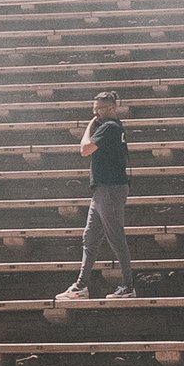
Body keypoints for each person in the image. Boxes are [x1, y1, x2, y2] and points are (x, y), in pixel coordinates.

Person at [58, 92, 136, 303]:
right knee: (90, 238)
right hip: (102, 190)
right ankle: (81, 286)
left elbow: (85, 149)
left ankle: (128, 286)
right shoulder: (111, 126)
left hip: (110, 189)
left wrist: (89, 126)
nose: (95, 113)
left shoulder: (109, 127)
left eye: (99, 109)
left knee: (116, 237)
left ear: (111, 108)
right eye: (94, 109)